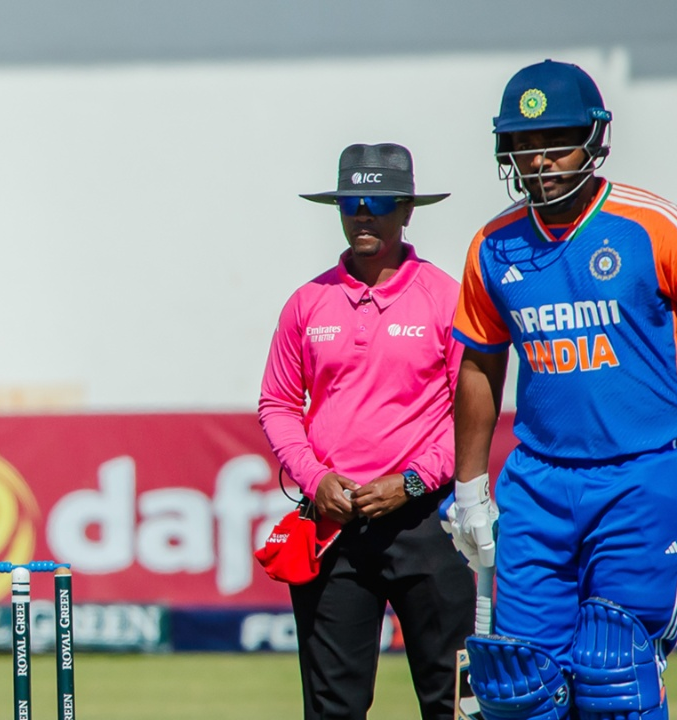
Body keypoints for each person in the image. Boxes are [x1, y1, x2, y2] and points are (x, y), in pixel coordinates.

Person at [447, 60, 677, 720]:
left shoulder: (655, 225)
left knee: (614, 675)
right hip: (538, 482)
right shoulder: (493, 245)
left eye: (557, 140)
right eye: (523, 143)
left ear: (595, 139)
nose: (540, 159)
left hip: (642, 475)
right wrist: (468, 488)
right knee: (520, 685)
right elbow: (480, 366)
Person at [259, 143, 475, 720]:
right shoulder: (307, 302)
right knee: (333, 708)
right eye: (351, 203)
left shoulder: (445, 298)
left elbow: (471, 414)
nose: (363, 215)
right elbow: (277, 404)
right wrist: (314, 479)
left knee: (455, 703)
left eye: (378, 203)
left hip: (427, 521)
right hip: (335, 523)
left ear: (406, 210)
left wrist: (411, 481)